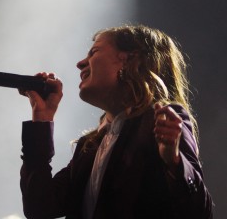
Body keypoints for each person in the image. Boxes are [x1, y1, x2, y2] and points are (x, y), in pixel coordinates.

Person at [20, 24, 214, 218]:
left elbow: (200, 213)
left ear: (130, 59)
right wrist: (42, 118)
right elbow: (40, 207)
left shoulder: (159, 120)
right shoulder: (90, 147)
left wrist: (174, 161)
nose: (80, 63)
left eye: (94, 52)